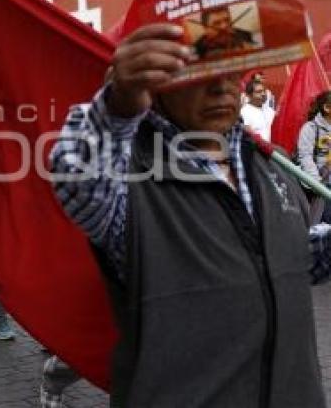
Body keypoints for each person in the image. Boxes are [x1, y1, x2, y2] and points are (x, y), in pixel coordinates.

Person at [50, 23, 331, 406]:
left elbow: (291, 258)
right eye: (198, 71)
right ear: (158, 83)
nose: (221, 86)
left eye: (232, 69)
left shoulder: (267, 167)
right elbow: (78, 180)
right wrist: (116, 105)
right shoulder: (129, 177)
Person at [297, 91, 331, 225]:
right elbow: (305, 156)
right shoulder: (310, 128)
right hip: (322, 187)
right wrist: (316, 184)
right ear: (327, 108)